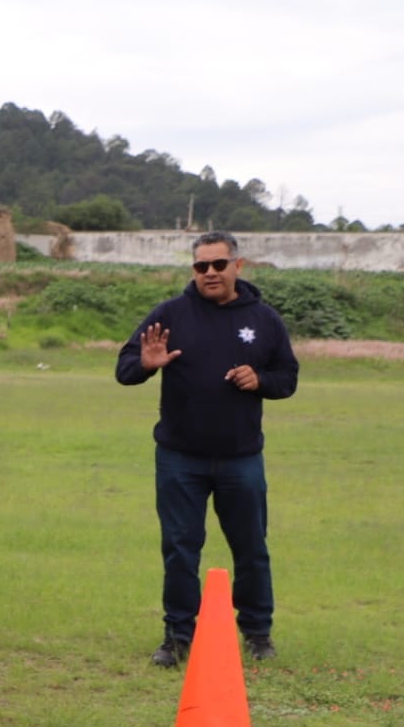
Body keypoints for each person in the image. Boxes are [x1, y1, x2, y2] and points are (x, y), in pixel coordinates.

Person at [116, 231, 300, 667]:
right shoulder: (171, 315)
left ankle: (258, 633)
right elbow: (124, 368)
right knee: (180, 549)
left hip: (241, 459)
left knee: (251, 548)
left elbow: (287, 377)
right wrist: (146, 363)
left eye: (219, 265)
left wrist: (261, 380)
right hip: (181, 458)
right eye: (201, 266)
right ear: (193, 269)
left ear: (239, 265)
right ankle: (178, 638)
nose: (210, 273)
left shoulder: (265, 319)